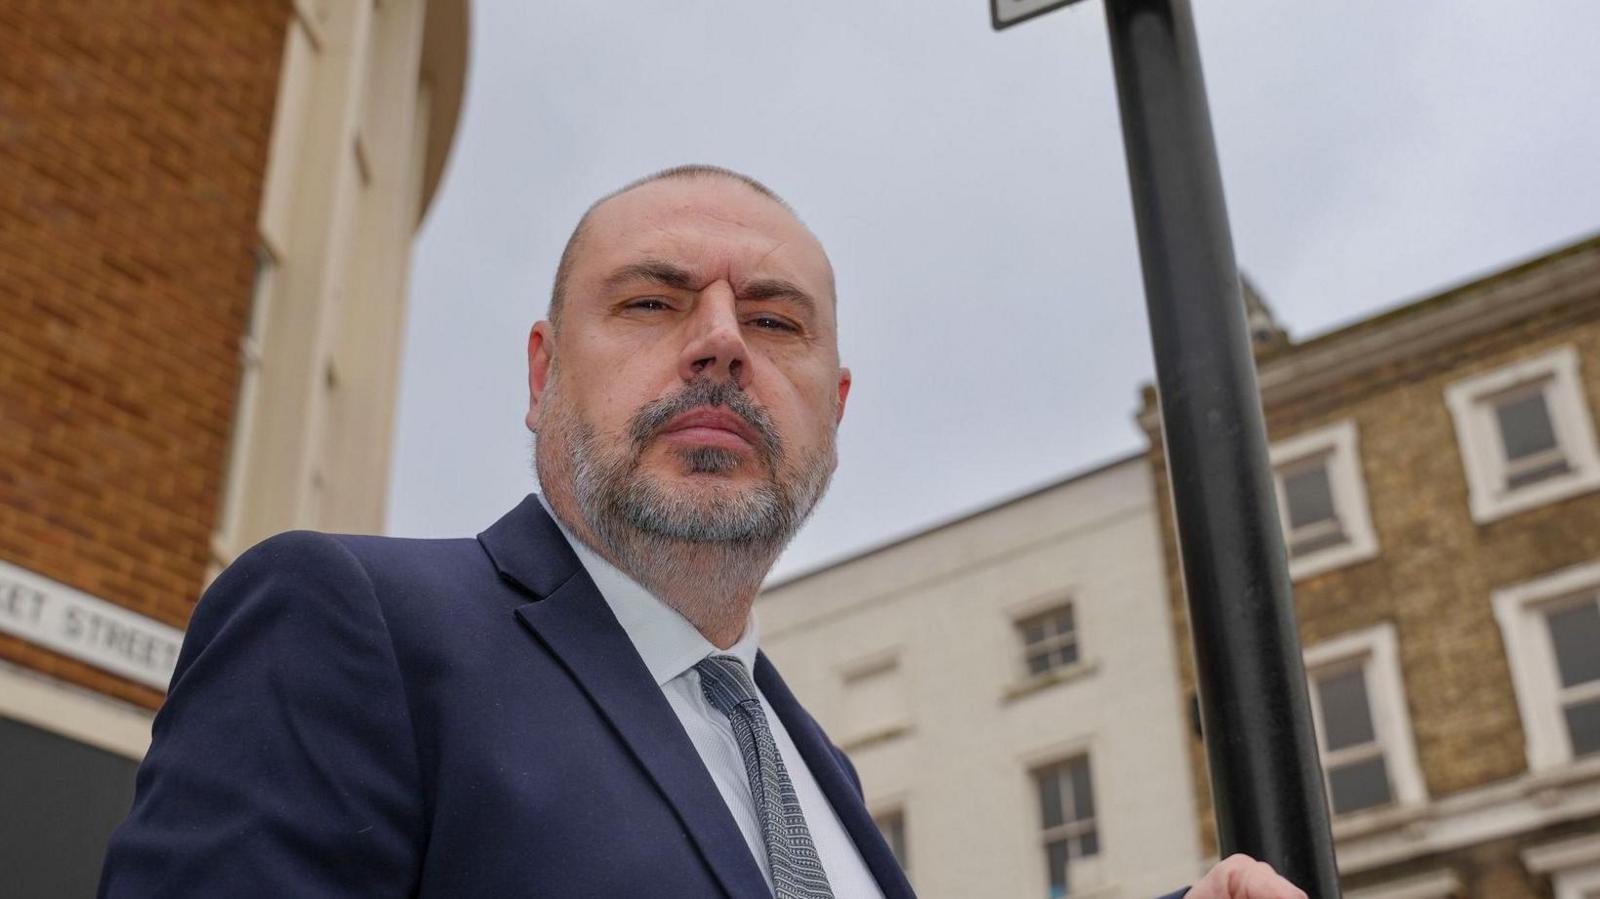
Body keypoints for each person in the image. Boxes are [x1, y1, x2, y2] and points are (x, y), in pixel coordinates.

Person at [99, 166, 1307, 899]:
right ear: (541, 375)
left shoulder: (811, 763)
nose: (720, 340)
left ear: (832, 415)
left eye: (776, 321)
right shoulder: (345, 618)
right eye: (650, 301)